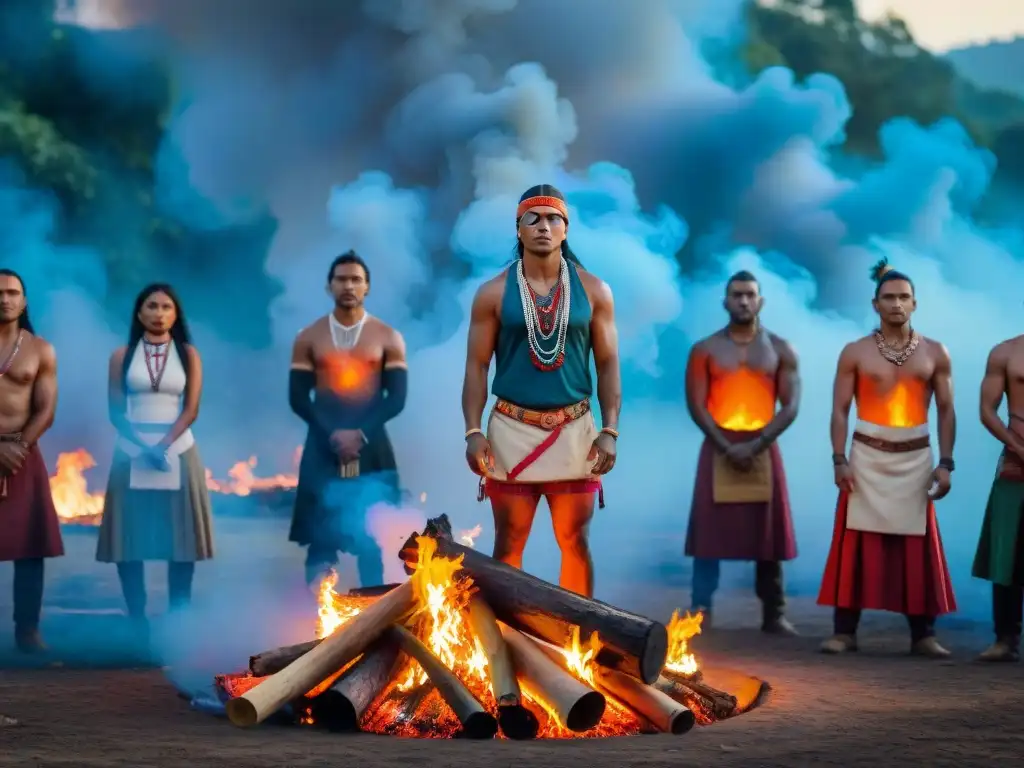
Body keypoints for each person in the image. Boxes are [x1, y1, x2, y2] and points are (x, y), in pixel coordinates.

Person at [462, 184, 620, 598]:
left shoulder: (595, 291)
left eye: (553, 218)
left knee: (575, 541)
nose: (543, 226)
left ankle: (578, 645)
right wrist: (472, 431)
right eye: (533, 218)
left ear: (566, 229)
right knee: (509, 543)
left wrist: (611, 429)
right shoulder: (493, 293)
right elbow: (477, 365)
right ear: (518, 229)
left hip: (575, 430)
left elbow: (607, 364)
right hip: (512, 431)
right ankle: (505, 648)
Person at [817, 259, 956, 657]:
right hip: (866, 458)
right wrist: (838, 459)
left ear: (915, 304)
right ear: (875, 303)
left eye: (904, 298)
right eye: (889, 297)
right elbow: (840, 409)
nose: (897, 304)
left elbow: (947, 409)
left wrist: (946, 463)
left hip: (916, 458)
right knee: (854, 542)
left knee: (918, 546)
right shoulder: (856, 352)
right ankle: (845, 631)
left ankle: (923, 634)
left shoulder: (935, 352)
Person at [683, 271, 799, 634]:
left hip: (762, 444)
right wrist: (725, 444)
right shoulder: (705, 349)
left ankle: (774, 613)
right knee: (709, 534)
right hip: (719, 444)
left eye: (750, 295)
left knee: (768, 535)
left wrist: (757, 442)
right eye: (737, 295)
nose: (744, 301)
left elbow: (791, 405)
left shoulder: (781, 349)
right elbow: (696, 404)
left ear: (760, 300)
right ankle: (700, 611)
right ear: (725, 301)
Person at [96, 284, 214, 631]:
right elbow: (115, 411)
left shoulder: (188, 354)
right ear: (139, 313)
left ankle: (179, 618)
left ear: (175, 314)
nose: (159, 313)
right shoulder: (121, 355)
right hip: (131, 448)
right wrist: (144, 446)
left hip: (177, 447)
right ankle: (138, 620)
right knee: (129, 538)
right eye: (152, 306)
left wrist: (162, 444)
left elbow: (191, 409)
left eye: (166, 307)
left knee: (181, 540)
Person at [289, 251, 407, 588]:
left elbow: (396, 398)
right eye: (341, 278)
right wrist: (333, 435)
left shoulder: (388, 337)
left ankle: (372, 620)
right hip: (322, 446)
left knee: (372, 539)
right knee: (319, 539)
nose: (349, 285)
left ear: (367, 287)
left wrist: (360, 434)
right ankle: (316, 617)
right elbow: (298, 398)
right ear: (329, 286)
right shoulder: (308, 337)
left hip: (371, 446)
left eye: (356, 279)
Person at [0, 269, 63, 653]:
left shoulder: (41, 349)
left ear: (24, 301)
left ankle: (28, 631)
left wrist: (15, 449)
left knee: (29, 547)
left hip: (21, 453)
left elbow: (46, 410)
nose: (4, 299)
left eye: (12, 293)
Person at [973, 336, 1024, 662]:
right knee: (1006, 549)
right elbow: (987, 410)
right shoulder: (1006, 352)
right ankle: (1005, 638)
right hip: (1016, 461)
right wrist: (1018, 447)